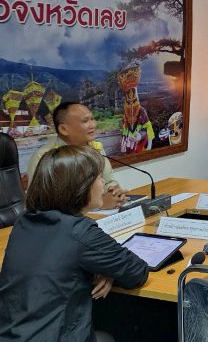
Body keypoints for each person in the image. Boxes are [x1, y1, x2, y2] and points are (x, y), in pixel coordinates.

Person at [0, 145, 149, 342]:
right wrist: (108, 270)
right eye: (98, 177)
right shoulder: (81, 231)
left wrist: (102, 268)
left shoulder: (23, 222)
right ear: (80, 186)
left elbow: (58, 263)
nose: (103, 183)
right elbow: (137, 272)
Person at [26, 101, 129, 209]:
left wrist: (115, 193)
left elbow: (109, 181)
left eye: (92, 119)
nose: (93, 125)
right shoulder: (44, 157)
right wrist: (99, 204)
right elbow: (40, 204)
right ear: (64, 129)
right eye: (85, 121)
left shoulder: (95, 148)